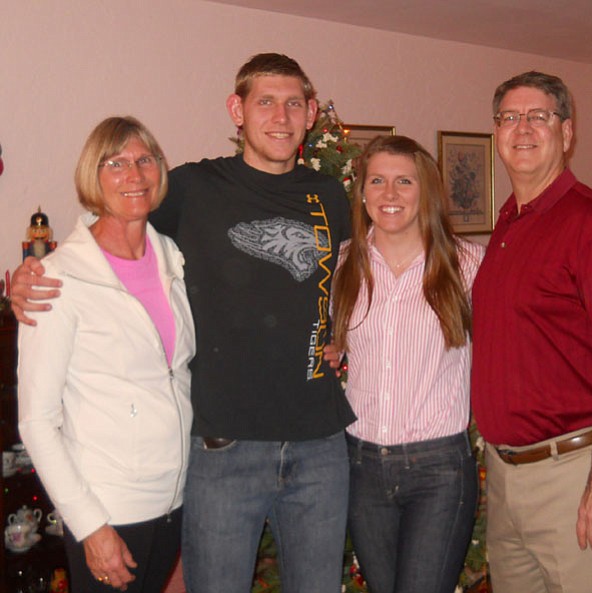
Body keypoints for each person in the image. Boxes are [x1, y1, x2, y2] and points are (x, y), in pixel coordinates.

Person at [12, 54, 354, 593]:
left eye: (293, 103)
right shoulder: (191, 188)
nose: (280, 116)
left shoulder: (331, 197)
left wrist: (344, 336)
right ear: (236, 110)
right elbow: (115, 223)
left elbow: (351, 284)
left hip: (320, 445)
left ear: (311, 113)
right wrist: (31, 278)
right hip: (223, 450)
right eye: (265, 101)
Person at [471, 71, 592, 593]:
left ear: (567, 134)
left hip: (577, 471)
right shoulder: (509, 222)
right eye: (509, 117)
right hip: (507, 477)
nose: (521, 128)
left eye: (538, 116)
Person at [17, 117, 195, 592]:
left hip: (174, 499)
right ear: (91, 177)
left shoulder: (173, 258)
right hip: (110, 508)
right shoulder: (58, 278)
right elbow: (36, 420)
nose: (133, 175)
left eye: (144, 160)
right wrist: (90, 526)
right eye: (114, 163)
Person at [328, 135, 483, 592]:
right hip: (361, 466)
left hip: (438, 470)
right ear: (362, 191)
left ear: (426, 191)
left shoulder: (468, 264)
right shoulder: (341, 267)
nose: (389, 194)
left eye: (403, 182)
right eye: (377, 180)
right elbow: (322, 342)